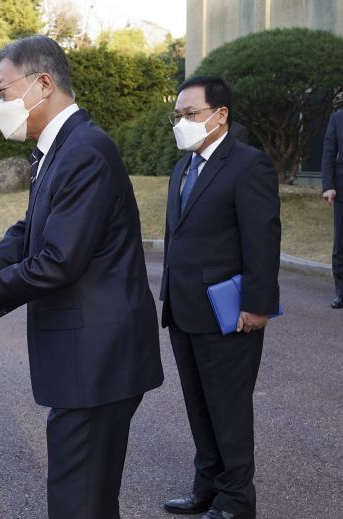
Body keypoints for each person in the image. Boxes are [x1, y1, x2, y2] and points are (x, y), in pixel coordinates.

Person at [0, 35, 164, 519]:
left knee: (80, 500)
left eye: (2, 91)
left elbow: (59, 259)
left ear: (43, 83)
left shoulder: (84, 149)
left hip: (98, 358)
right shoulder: (59, 147)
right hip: (87, 357)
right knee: (81, 495)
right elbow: (29, 230)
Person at [160, 76, 280, 519]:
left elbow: (263, 240)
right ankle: (206, 487)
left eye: (190, 115)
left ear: (220, 115)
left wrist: (258, 304)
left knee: (228, 410)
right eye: (178, 116)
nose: (182, 123)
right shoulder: (183, 167)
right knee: (199, 406)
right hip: (183, 309)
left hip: (228, 313)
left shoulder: (249, 165)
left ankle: (235, 501)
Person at [321, 109, 343, 308]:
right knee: (341, 245)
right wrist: (328, 185)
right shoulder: (337, 118)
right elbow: (329, 151)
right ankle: (341, 292)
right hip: (342, 190)